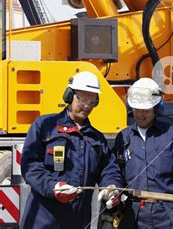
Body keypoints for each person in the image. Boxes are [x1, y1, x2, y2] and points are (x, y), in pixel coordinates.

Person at [20, 71, 123, 229]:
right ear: (69, 96)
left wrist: (111, 186)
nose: (87, 106)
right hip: (43, 221)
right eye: (82, 99)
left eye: (92, 101)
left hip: (78, 222)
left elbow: (109, 169)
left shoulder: (97, 138)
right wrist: (53, 187)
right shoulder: (44, 126)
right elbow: (30, 166)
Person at [115, 78, 173, 229]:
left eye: (145, 110)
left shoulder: (172, 135)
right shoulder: (123, 138)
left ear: (156, 108)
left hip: (170, 215)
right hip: (134, 216)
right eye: (136, 109)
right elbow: (115, 173)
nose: (140, 114)